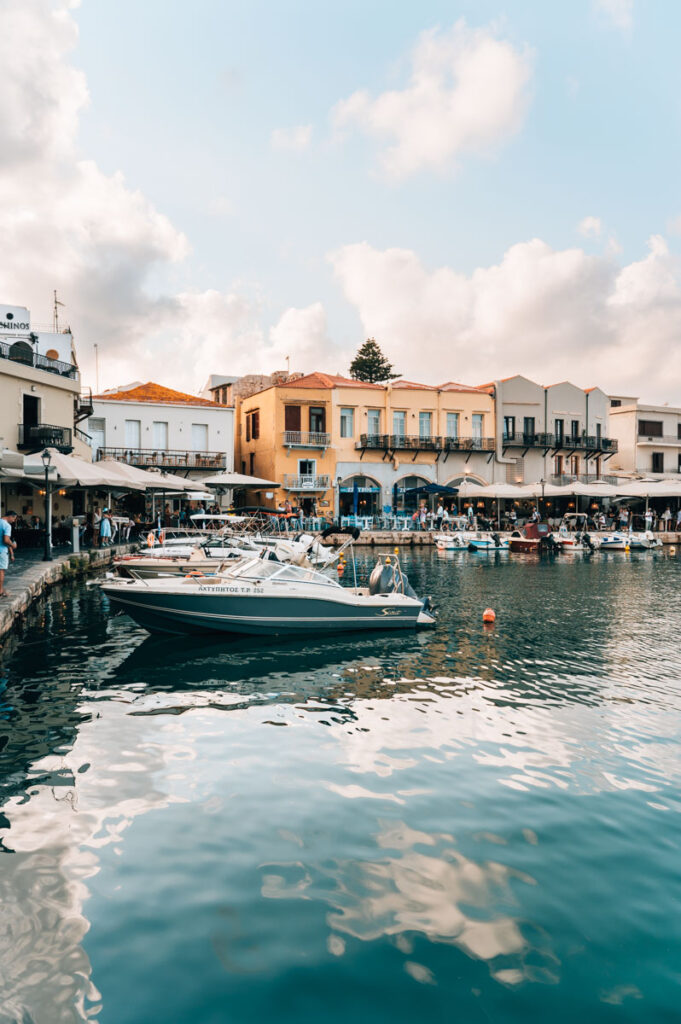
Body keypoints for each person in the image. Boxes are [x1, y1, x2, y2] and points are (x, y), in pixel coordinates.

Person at [0, 511, 17, 597]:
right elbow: (6, 540)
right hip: (1, 551)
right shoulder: (7, 526)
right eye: (14, 518)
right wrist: (13, 545)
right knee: (1, 571)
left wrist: (12, 553)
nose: (14, 521)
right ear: (10, 516)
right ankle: (0, 591)